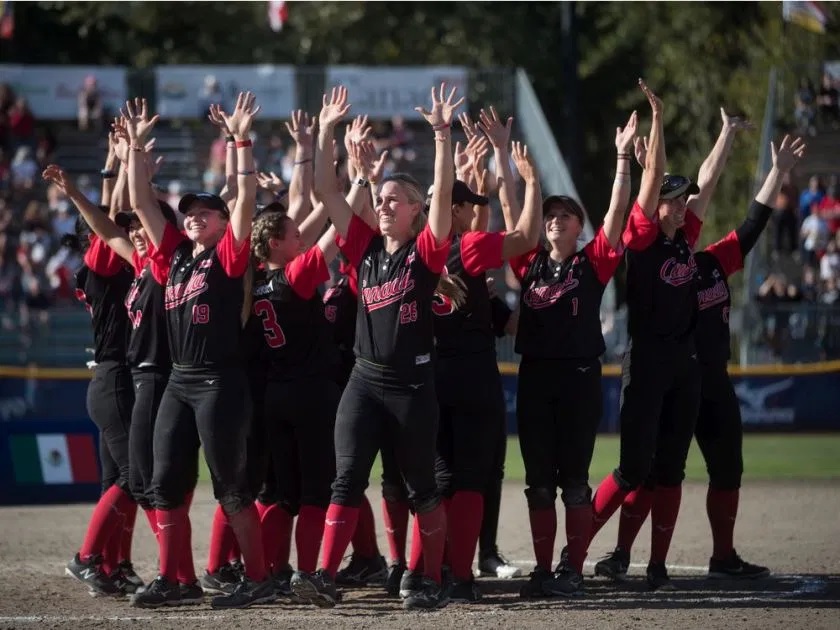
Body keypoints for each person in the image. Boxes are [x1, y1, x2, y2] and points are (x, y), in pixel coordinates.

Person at [595, 135, 806, 582]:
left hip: (709, 381)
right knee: (648, 471)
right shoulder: (668, 254)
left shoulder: (708, 260)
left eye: (689, 205)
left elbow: (752, 222)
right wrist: (722, 137)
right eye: (681, 204)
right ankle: (619, 552)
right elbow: (700, 184)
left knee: (726, 468)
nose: (691, 210)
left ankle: (723, 556)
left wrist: (776, 171)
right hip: (672, 370)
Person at [290, 84, 462, 611]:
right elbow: (326, 189)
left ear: (415, 211)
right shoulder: (363, 247)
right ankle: (322, 574)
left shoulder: (426, 253)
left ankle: (427, 578)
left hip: (412, 385)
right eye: (381, 200)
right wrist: (325, 132)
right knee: (345, 479)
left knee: (421, 488)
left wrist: (441, 134)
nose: (384, 206)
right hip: (364, 381)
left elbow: (444, 197)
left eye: (394, 201)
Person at [118, 94, 275, 610]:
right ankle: (175, 579)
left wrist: (241, 140)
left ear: (222, 221)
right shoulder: (176, 261)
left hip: (219, 382)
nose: (193, 218)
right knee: (164, 482)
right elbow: (141, 205)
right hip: (179, 382)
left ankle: (258, 577)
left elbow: (246, 198)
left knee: (231, 488)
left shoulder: (228, 257)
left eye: (205, 213)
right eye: (189, 213)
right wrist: (135, 151)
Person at [584, 80, 706, 591]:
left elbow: (710, 183)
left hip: (685, 364)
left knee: (670, 470)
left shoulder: (686, 241)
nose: (680, 206)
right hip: (648, 360)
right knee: (634, 466)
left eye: (683, 201)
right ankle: (573, 550)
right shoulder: (644, 238)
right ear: (655, 208)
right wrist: (658, 117)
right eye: (673, 201)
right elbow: (652, 175)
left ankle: (655, 565)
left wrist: (724, 137)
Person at [510, 107, 636, 598]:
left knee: (576, 484)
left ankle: (572, 572)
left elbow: (618, 213)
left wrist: (622, 157)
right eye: (551, 215)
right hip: (536, 378)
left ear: (580, 227)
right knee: (538, 482)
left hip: (580, 377)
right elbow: (513, 216)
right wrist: (518, 176)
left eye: (565, 215)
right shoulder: (529, 264)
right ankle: (545, 569)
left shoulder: (593, 263)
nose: (555, 219)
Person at [423, 104, 542, 603]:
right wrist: (530, 184)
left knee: (438, 479)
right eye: (461, 202)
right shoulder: (466, 250)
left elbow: (487, 220)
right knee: (470, 476)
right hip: (469, 373)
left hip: (426, 375)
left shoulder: (412, 251)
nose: (470, 207)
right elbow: (527, 238)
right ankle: (461, 575)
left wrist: (463, 154)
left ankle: (433, 573)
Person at [57, 201, 136, 598]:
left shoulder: (101, 269)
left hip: (110, 378)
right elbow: (113, 216)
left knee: (117, 481)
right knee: (136, 476)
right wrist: (123, 161)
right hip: (116, 380)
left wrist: (115, 163)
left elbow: (111, 214)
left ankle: (110, 567)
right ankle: (87, 558)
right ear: (93, 237)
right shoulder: (100, 267)